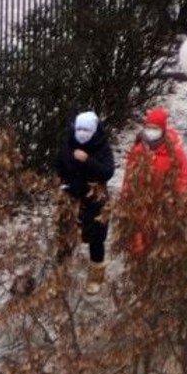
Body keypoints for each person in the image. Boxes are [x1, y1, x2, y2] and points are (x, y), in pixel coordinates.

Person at [53, 110, 116, 294]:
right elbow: (58, 165)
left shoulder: (102, 147)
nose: (81, 133)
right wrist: (62, 183)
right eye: (79, 129)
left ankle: (96, 276)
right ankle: (61, 276)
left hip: (95, 201)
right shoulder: (68, 144)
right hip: (71, 199)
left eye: (86, 130)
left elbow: (107, 172)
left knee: (96, 239)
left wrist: (88, 160)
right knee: (65, 237)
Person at [120, 107, 187, 260]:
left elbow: (184, 176)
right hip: (143, 206)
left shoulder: (174, 151)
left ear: (163, 129)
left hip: (166, 206)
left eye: (155, 129)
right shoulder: (138, 150)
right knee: (139, 244)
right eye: (148, 128)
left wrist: (177, 198)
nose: (151, 132)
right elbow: (129, 177)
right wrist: (126, 197)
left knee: (165, 245)